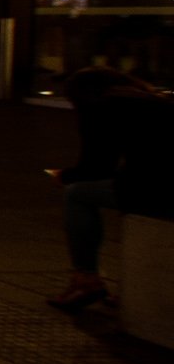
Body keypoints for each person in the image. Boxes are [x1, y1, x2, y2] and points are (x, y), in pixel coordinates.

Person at [49, 68, 174, 310]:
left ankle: (86, 279)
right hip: (162, 184)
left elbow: (96, 167)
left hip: (158, 189)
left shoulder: (103, 107)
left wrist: (64, 176)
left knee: (77, 194)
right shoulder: (154, 100)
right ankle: (138, 286)